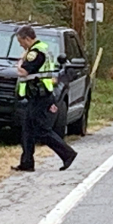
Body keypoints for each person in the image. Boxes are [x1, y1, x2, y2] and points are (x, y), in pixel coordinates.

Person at [11, 26, 77, 172]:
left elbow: (23, 72)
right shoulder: (42, 48)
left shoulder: (35, 53)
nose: (20, 45)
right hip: (36, 95)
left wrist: (19, 62)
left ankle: (68, 154)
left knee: (42, 130)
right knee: (27, 129)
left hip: (40, 96)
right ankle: (27, 162)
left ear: (27, 38)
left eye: (20, 41)